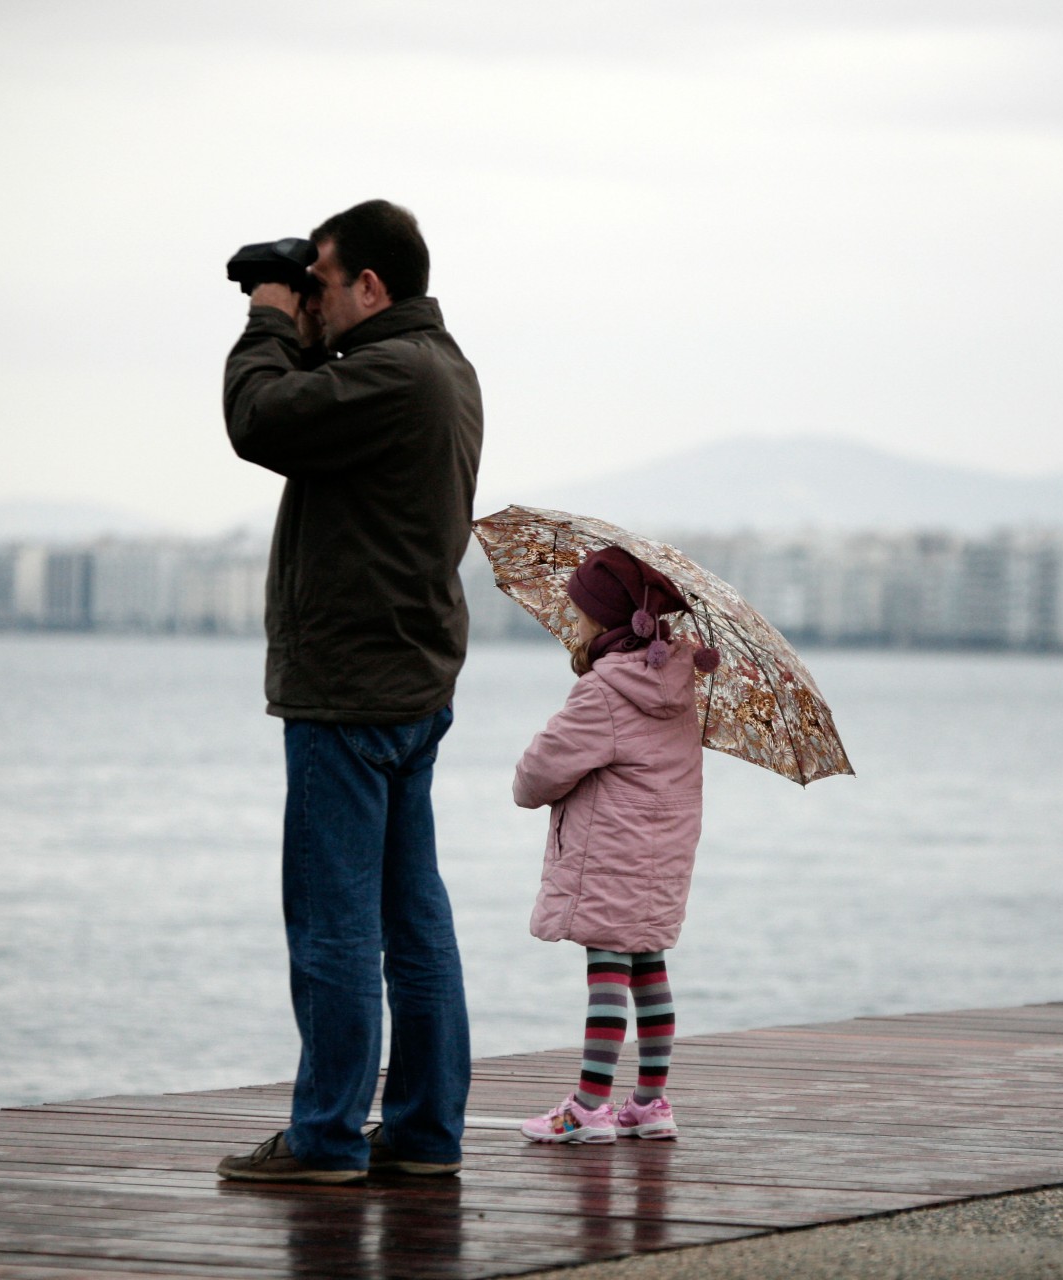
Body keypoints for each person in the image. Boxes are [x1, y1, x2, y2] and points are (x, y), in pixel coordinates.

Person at [214, 200, 483, 1185]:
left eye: (323, 281)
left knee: (334, 921)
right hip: (407, 685)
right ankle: (421, 1130)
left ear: (371, 286)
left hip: (351, 694)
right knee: (413, 919)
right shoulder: (441, 369)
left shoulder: (395, 374)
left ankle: (325, 1136)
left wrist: (267, 313)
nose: (310, 300)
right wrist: (298, 308)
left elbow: (260, 417)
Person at [511, 546, 721, 1143]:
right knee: (649, 967)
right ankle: (650, 1103)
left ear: (603, 622)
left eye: (579, 613)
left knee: (606, 968)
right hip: (664, 856)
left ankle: (588, 1107)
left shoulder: (602, 693)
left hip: (611, 853)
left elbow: (536, 777)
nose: (574, 623)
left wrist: (535, 771)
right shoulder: (677, 689)